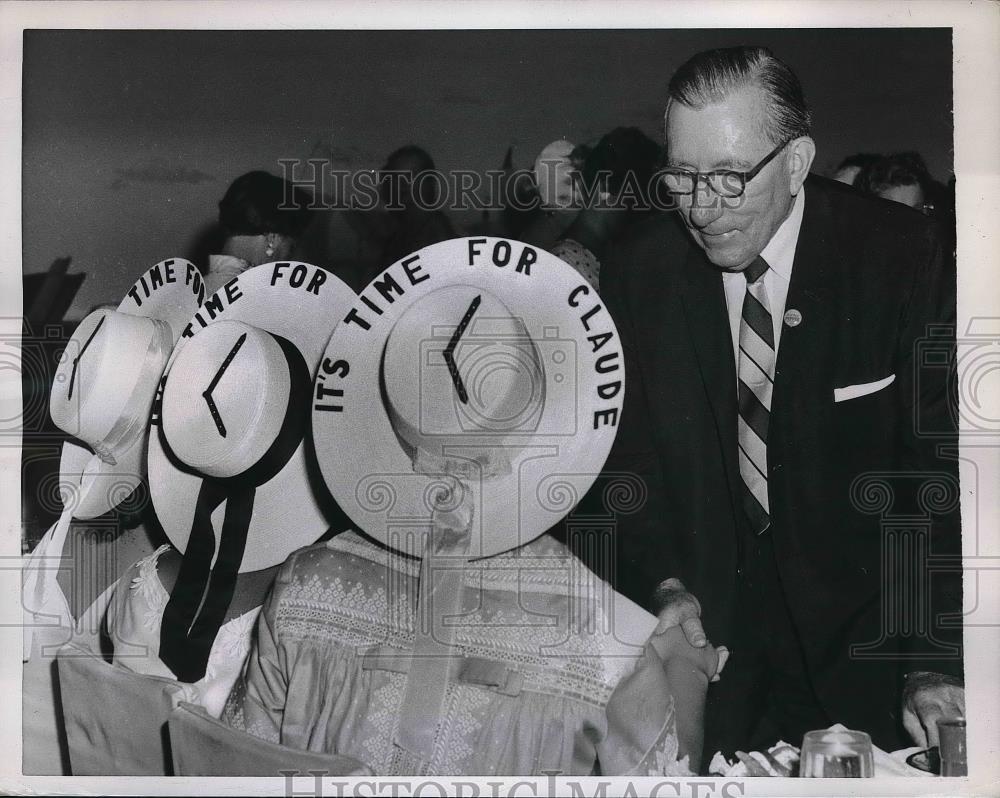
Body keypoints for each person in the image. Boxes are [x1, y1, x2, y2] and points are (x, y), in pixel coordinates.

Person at [224, 238, 727, 775]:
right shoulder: (600, 635)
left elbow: (237, 768)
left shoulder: (304, 585)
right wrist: (688, 674)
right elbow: (670, 782)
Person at [599, 45, 962, 760]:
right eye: (683, 176)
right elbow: (624, 460)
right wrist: (663, 581)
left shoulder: (904, 256)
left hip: (875, 657)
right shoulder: (641, 269)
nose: (703, 210)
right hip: (717, 656)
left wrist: (934, 661)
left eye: (731, 177)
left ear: (797, 163)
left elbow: (940, 473)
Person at [551, 126, 662, 291]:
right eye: (634, 199)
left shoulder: (598, 260)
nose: (641, 213)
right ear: (605, 189)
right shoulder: (566, 266)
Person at [206, 170, 313, 295]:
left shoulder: (193, 289)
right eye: (291, 247)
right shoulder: (259, 298)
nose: (288, 260)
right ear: (272, 240)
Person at [376, 145, 457, 270]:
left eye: (411, 176)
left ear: (429, 182)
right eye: (396, 177)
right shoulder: (403, 231)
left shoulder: (437, 234)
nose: (403, 184)